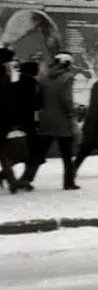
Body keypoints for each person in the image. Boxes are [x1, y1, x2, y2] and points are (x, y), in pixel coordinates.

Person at [20, 52, 80, 190]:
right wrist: (72, 114)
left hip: (46, 119)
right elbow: (67, 100)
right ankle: (69, 182)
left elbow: (38, 97)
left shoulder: (44, 76)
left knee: (39, 153)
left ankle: (26, 178)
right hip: (62, 122)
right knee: (66, 153)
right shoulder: (67, 78)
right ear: (67, 64)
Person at [12, 60, 41, 192]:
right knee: (34, 154)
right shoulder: (33, 84)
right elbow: (37, 105)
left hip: (15, 123)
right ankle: (25, 179)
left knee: (18, 152)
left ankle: (11, 175)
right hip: (29, 123)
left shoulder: (15, 83)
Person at [0, 47, 20, 193]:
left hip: (3, 121)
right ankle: (12, 182)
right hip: (2, 121)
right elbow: (8, 102)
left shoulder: (5, 77)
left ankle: (12, 182)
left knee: (2, 152)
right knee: (2, 152)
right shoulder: (4, 78)